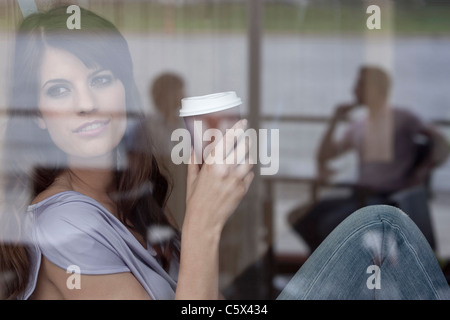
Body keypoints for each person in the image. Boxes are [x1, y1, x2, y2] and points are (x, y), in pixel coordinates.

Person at [0, 6, 448, 300]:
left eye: (99, 80)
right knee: (383, 229)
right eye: (59, 89)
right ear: (35, 113)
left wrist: (207, 208)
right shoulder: (65, 225)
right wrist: (202, 225)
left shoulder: (127, 200)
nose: (86, 102)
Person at [289, 66, 450, 252]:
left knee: (329, 226)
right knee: (299, 217)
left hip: (388, 198)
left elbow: (440, 142)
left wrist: (423, 170)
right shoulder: (359, 125)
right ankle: (329, 270)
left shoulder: (402, 118)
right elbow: (324, 156)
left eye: (359, 84)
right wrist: (335, 119)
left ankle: (341, 272)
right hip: (358, 196)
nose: (354, 90)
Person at [147, 72, 187, 228]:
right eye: (180, 90)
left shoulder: (184, 124)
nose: (184, 95)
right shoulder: (149, 126)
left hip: (181, 190)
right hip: (160, 189)